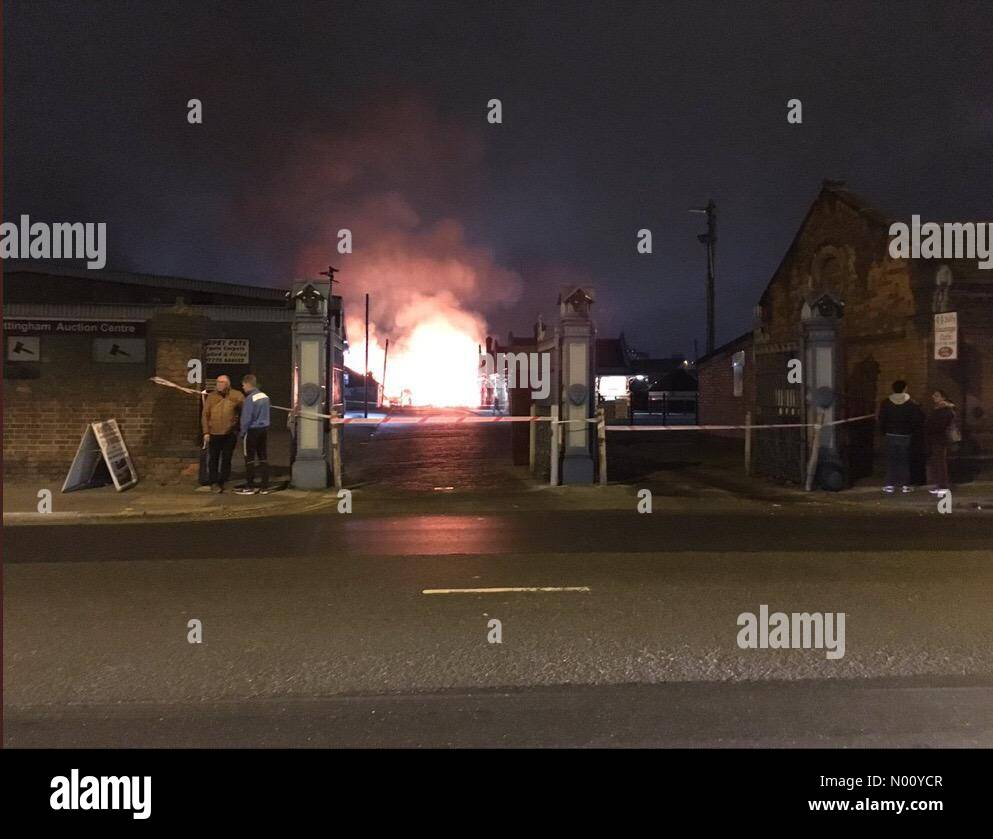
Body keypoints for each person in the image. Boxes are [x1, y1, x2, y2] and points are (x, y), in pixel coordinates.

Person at [877, 380, 924, 494]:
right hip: (905, 435)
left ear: (893, 389)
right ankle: (904, 485)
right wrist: (911, 431)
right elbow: (916, 420)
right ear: (905, 388)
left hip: (890, 434)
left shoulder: (886, 403)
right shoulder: (911, 403)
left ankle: (890, 485)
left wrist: (883, 431)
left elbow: (881, 419)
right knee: (904, 461)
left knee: (891, 460)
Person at [201, 374, 245, 493]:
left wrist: (238, 426)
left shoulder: (236, 395)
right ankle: (214, 481)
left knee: (227, 458)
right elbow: (205, 415)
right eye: (218, 382)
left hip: (229, 433)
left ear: (228, 384)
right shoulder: (211, 397)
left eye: (222, 383)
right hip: (214, 432)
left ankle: (224, 480)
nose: (219, 385)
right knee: (213, 458)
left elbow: (244, 410)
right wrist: (206, 432)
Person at [235, 373, 272, 495]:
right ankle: (264, 486)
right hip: (263, 430)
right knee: (263, 458)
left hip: (252, 430)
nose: (243, 388)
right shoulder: (265, 397)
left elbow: (246, 418)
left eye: (243, 385)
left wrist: (242, 432)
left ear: (247, 383)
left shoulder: (250, 398)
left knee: (249, 459)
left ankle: (249, 486)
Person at [925, 389, 957, 496]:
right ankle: (940, 485)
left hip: (940, 439)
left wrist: (930, 428)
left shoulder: (945, 410)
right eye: (934, 395)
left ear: (943, 397)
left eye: (937, 395)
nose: (934, 397)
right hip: (937, 438)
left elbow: (940, 425)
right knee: (938, 462)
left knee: (940, 463)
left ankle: (943, 486)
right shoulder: (940, 409)